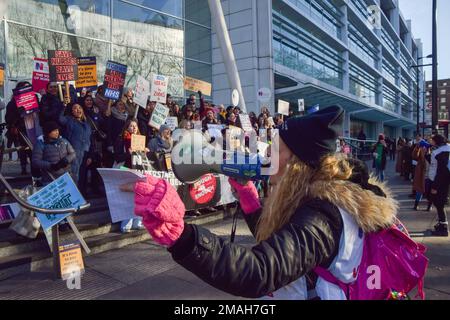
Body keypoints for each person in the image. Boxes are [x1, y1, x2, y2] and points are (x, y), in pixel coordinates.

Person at [120, 106, 399, 300]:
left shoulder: (322, 217)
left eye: (276, 150)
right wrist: (252, 206)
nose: (267, 156)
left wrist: (181, 236)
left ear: (298, 165)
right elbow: (285, 249)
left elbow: (260, 271)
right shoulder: (318, 198)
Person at [114, 119, 145, 233]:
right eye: (131, 126)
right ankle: (126, 224)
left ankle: (138, 222)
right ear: (127, 127)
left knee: (140, 198)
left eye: (135, 126)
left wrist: (145, 152)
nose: (133, 128)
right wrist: (128, 153)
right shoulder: (121, 139)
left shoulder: (140, 140)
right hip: (125, 170)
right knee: (128, 199)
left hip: (138, 171)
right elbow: (118, 157)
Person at [59, 103, 92, 184]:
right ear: (72, 111)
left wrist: (90, 156)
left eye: (80, 107)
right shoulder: (68, 120)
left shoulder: (87, 124)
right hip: (73, 154)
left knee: (82, 177)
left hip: (85, 154)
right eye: (75, 108)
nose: (78, 110)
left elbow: (90, 140)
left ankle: (82, 195)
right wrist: (63, 106)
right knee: (74, 177)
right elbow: (60, 119)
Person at [5, 82, 33, 174]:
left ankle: (34, 169)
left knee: (33, 150)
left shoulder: (32, 100)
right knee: (23, 149)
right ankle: (23, 168)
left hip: (32, 128)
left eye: (28, 87)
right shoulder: (12, 103)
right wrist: (14, 124)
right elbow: (8, 118)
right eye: (24, 88)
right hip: (20, 129)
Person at [428, 135, 450, 237]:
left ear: (436, 141)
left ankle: (443, 227)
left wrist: (435, 186)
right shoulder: (447, 148)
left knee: (439, 203)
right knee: (440, 203)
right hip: (445, 180)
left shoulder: (437, 152)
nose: (431, 141)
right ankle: (442, 224)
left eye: (432, 140)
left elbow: (440, 170)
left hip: (440, 181)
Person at [412, 140, 430, 211]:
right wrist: (417, 147)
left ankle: (429, 206)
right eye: (424, 147)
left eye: (426, 147)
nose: (425, 149)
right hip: (421, 176)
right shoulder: (420, 154)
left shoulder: (432, 154)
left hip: (430, 176)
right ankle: (416, 205)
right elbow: (414, 155)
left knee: (429, 192)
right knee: (419, 191)